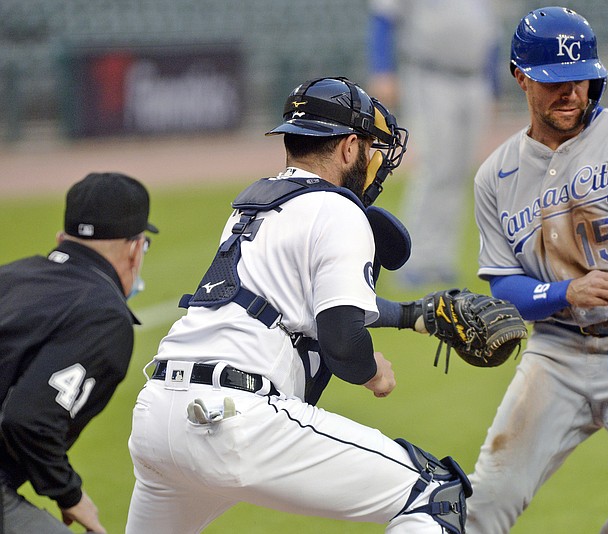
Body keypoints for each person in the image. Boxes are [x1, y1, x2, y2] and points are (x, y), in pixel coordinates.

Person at [125, 77, 471, 534]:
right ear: (349, 147)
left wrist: (411, 316)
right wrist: (372, 374)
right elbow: (342, 339)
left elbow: (301, 307)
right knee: (434, 496)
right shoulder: (340, 210)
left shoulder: (256, 207)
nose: (373, 161)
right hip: (235, 418)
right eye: (369, 147)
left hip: (158, 415)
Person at [466, 7, 608, 534]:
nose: (571, 92)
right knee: (488, 495)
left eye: (581, 79)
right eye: (553, 81)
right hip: (557, 351)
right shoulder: (495, 176)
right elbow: (504, 285)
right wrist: (567, 291)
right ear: (520, 76)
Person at [0, 172, 157, 534]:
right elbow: (28, 419)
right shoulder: (105, 316)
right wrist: (70, 495)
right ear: (135, 249)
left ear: (62, 239)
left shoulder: (11, 276)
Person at [367, 0, 501, 286]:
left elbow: (491, 30)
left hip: (475, 79)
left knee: (458, 173)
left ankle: (441, 259)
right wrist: (383, 69)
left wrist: (494, 85)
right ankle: (413, 259)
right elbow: (383, 18)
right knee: (435, 169)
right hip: (431, 75)